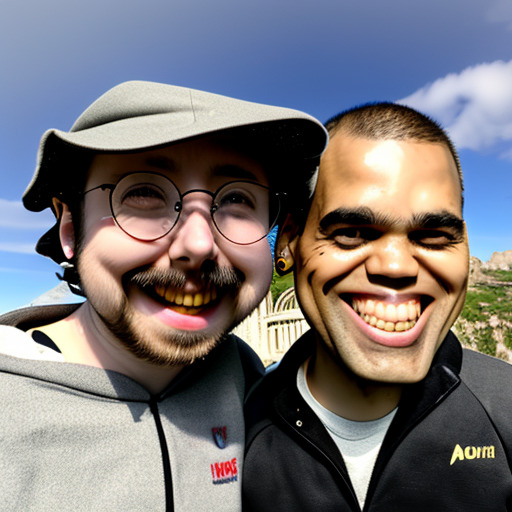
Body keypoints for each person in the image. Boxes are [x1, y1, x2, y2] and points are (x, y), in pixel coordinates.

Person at [0, 80, 327, 511]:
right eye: (144, 192)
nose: (197, 245)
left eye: (236, 198)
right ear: (70, 230)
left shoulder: (249, 384)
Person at [243, 102, 512, 511]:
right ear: (288, 241)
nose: (396, 266)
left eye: (434, 235)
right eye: (351, 232)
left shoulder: (505, 409)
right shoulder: (232, 431)